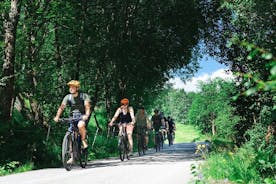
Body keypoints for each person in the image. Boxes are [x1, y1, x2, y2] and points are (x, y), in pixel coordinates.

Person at [54, 80, 91, 163]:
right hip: (72, 117)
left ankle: (83, 140)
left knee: (80, 125)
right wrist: (57, 116)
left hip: (82, 116)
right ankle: (72, 156)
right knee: (70, 135)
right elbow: (62, 107)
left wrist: (86, 115)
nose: (71, 88)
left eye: (73, 87)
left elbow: (87, 107)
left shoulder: (84, 96)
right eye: (70, 87)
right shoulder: (68, 97)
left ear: (77, 88)